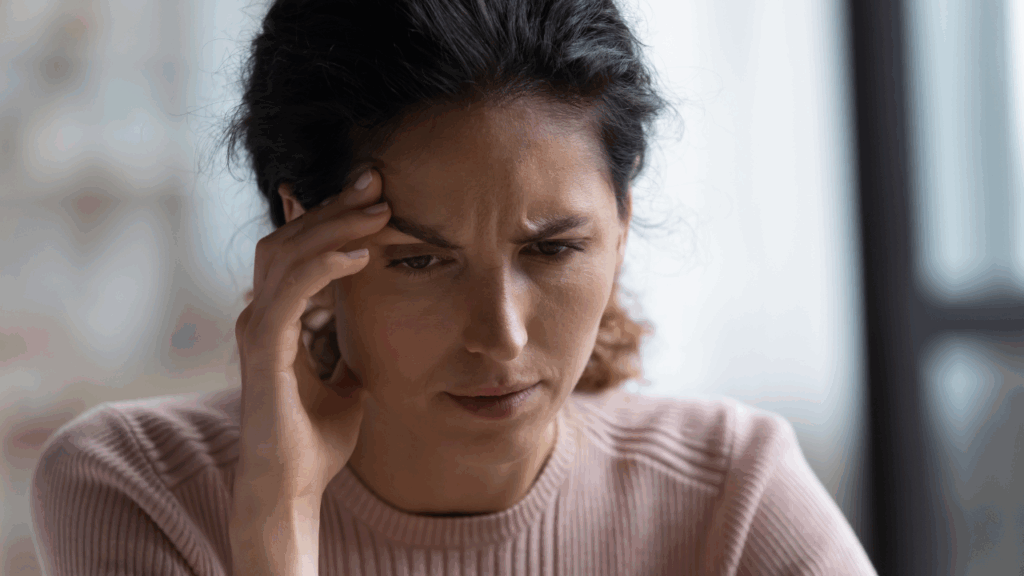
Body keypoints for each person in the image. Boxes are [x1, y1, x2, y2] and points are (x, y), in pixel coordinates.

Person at [28, 0, 879, 574]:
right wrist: (276, 520)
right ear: (301, 239)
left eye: (551, 251)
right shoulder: (135, 489)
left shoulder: (730, 494)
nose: (501, 335)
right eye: (420, 260)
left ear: (620, 224)